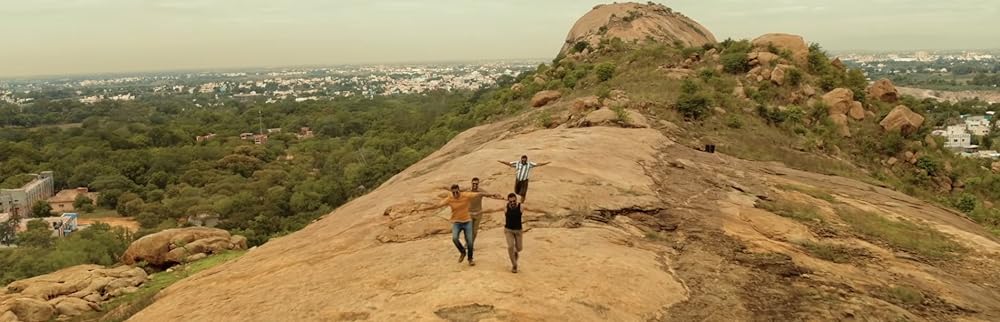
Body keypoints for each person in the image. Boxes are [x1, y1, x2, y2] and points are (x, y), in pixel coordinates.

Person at [413, 184, 486, 266]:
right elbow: (437, 205)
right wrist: (423, 209)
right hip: (457, 222)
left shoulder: (465, 195)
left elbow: (479, 194)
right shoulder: (450, 199)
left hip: (467, 221)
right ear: (451, 192)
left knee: (470, 241)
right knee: (455, 238)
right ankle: (462, 252)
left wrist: (492, 194)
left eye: (456, 192)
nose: (455, 194)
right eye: (453, 192)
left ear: (459, 190)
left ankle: (470, 259)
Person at [503, 193, 524, 273]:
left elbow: (531, 209)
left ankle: (515, 252)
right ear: (508, 201)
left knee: (519, 248)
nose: (512, 203)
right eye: (510, 201)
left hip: (518, 230)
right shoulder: (506, 208)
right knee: (510, 246)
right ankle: (514, 265)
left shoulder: (521, 207)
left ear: (516, 200)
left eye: (514, 201)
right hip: (509, 230)